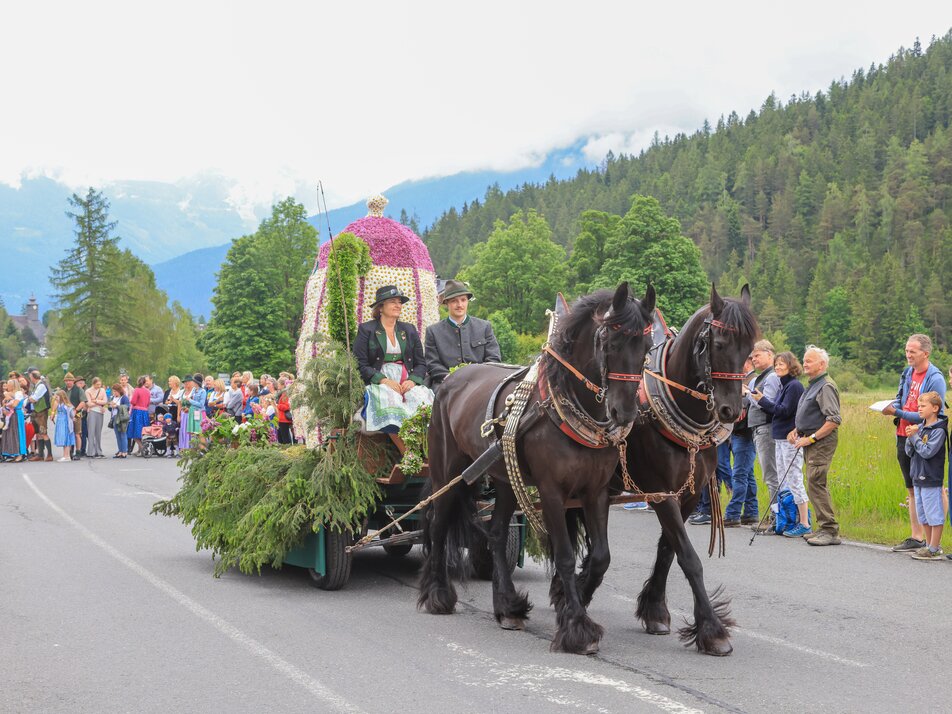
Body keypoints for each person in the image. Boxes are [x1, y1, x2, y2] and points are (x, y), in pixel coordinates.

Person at [881, 334, 947, 553]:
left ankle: (934, 542)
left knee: (935, 489)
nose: (908, 355)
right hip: (905, 433)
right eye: (907, 350)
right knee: (912, 487)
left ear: (925, 353)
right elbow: (902, 397)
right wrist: (893, 407)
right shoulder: (908, 372)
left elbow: (931, 415)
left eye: (913, 351)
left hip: (924, 434)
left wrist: (897, 411)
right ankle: (917, 537)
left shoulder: (935, 377)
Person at [353, 285, 433, 433]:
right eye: (392, 301)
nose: (398, 305)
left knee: (422, 402)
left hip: (406, 380)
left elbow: (421, 363)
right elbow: (360, 363)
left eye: (399, 302)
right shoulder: (367, 329)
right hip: (380, 382)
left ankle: (422, 451)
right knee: (391, 403)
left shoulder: (409, 330)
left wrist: (413, 380)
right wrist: (384, 380)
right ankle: (408, 454)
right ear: (380, 307)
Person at [751, 352, 809, 536]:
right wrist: (764, 400)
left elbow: (783, 411)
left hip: (789, 439)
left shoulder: (794, 386)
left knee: (794, 480)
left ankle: (805, 523)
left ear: (791, 366)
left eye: (782, 364)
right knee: (783, 482)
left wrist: (762, 401)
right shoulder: (784, 386)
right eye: (776, 364)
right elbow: (777, 409)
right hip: (779, 438)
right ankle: (787, 520)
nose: (777, 367)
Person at [788, 345, 842, 546]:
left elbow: (833, 420)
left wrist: (810, 439)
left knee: (816, 482)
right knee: (813, 482)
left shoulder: (825, 385)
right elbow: (810, 413)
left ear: (822, 364)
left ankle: (829, 530)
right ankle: (823, 528)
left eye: (809, 361)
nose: (805, 363)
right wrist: (797, 429)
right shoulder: (812, 384)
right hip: (810, 439)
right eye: (804, 360)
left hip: (821, 442)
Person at [425, 279, 502, 389]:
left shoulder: (484, 327)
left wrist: (479, 378)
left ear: (467, 302)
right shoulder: (433, 331)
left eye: (463, 300)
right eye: (454, 301)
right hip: (446, 385)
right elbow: (432, 364)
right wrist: (450, 377)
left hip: (480, 383)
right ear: (447, 303)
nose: (459, 305)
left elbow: (493, 358)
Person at [903, 391, 947, 560]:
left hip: (931, 477)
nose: (919, 409)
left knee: (934, 514)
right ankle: (928, 546)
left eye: (923, 406)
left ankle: (935, 547)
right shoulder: (919, 427)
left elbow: (927, 452)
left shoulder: (938, 430)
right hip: (918, 476)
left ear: (935, 408)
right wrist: (910, 437)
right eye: (918, 406)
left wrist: (914, 437)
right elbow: (910, 452)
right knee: (923, 515)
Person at [746, 340, 781, 528]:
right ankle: (776, 515)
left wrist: (749, 394)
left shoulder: (772, 377)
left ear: (769, 354)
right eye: (752, 356)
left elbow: (765, 401)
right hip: (757, 429)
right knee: (768, 474)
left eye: (757, 355)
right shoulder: (757, 379)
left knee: (771, 474)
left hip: (766, 429)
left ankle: (777, 517)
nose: (753, 359)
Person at [722, 359, 758, 527]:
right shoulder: (744, 379)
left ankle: (733, 513)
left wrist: (744, 394)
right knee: (747, 474)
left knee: (739, 475)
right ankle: (751, 512)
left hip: (745, 433)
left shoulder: (753, 380)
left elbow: (750, 404)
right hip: (739, 433)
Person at [27, 370, 53, 462]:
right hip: (35, 411)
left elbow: (33, 399)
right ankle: (40, 455)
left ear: (33, 377)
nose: (30, 378)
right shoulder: (36, 386)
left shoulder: (41, 385)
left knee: (43, 432)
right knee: (38, 433)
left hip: (41, 412)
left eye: (30, 376)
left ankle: (50, 454)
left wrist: (29, 398)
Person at [84, 377, 109, 458]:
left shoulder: (102, 390)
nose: (99, 386)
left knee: (98, 432)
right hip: (92, 412)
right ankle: (90, 452)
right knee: (91, 432)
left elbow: (105, 401)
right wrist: (99, 403)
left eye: (100, 384)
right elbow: (89, 404)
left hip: (100, 412)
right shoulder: (88, 391)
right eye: (97, 384)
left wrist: (96, 401)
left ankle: (99, 451)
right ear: (93, 384)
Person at [64, 372, 86, 460]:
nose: (68, 382)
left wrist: (75, 410)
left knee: (77, 433)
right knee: (68, 433)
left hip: (76, 414)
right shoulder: (63, 390)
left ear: (73, 381)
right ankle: (69, 451)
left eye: (70, 380)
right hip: (66, 415)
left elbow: (83, 402)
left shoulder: (79, 389)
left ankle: (78, 452)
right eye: (66, 380)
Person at [128, 376, 152, 455]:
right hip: (145, 412)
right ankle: (139, 451)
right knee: (143, 432)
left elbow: (133, 401)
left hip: (137, 412)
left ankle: (142, 447)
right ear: (145, 382)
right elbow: (148, 403)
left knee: (134, 432)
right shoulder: (148, 391)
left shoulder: (137, 390)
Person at [50, 389, 76, 462]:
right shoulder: (59, 404)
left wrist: (73, 417)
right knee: (63, 438)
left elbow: (71, 414)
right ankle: (65, 455)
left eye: (57, 397)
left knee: (66, 439)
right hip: (60, 422)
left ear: (61, 397)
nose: (56, 398)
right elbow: (53, 408)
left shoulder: (66, 405)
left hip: (65, 423)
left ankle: (67, 456)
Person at [182, 374, 206, 446]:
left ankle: (203, 449)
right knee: (192, 432)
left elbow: (201, 404)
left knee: (199, 432)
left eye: (194, 381)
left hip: (199, 412)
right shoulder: (194, 390)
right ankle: (195, 450)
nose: (193, 383)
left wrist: (190, 400)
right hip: (192, 411)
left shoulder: (203, 391)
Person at [110, 382, 130, 458]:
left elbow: (127, 407)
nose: (114, 393)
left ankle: (125, 451)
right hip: (115, 418)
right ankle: (120, 451)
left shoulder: (124, 398)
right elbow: (110, 409)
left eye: (115, 391)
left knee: (123, 434)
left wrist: (117, 406)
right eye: (113, 391)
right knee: (117, 435)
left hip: (122, 418)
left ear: (119, 391)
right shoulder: (112, 398)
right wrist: (111, 406)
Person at [276, 377, 294, 444]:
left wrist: (277, 405)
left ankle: (287, 449)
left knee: (285, 437)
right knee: (281, 437)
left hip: (284, 419)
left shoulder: (286, 394)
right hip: (281, 418)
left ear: (283, 385)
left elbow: (287, 407)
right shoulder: (282, 394)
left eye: (278, 384)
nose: (277, 386)